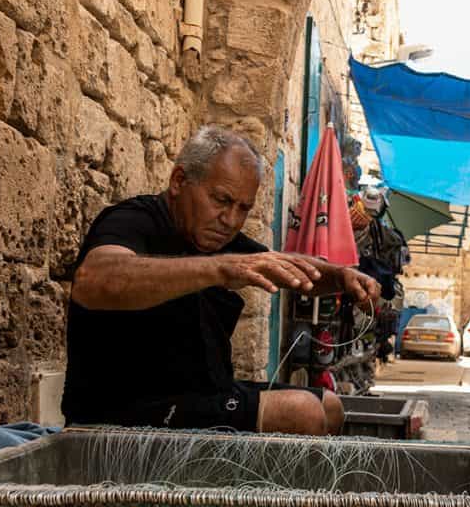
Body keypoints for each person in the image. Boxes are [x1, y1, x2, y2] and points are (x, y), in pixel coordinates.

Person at [62, 126, 381, 436]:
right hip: (125, 410)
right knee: (301, 412)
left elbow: (287, 267)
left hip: (201, 396)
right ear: (179, 181)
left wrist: (341, 277)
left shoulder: (217, 240)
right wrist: (219, 269)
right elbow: (95, 280)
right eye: (221, 200)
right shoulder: (134, 220)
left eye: (243, 208)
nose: (230, 220)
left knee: (330, 406)